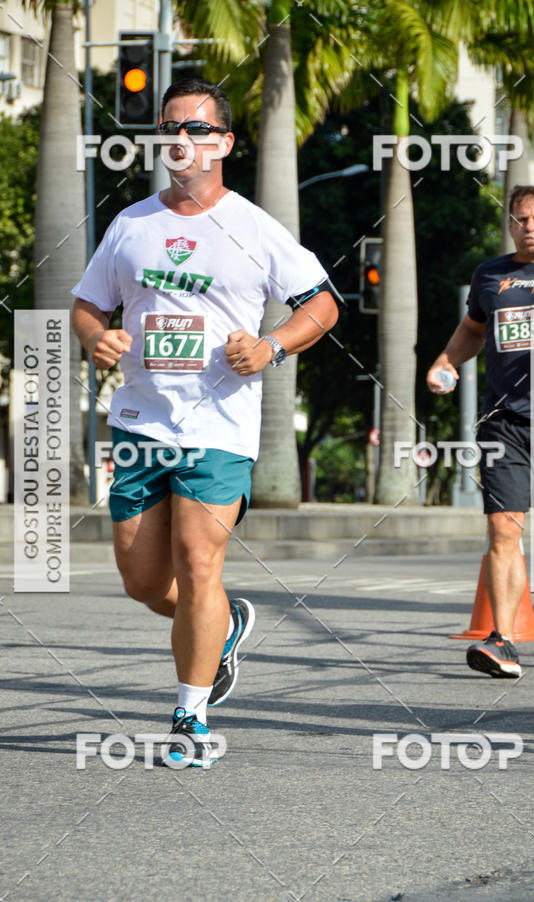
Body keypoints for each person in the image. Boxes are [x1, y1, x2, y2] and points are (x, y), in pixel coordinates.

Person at [72, 78, 339, 765]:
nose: (180, 139)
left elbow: (323, 305)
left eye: (195, 128)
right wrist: (94, 337)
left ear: (222, 142)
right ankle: (224, 626)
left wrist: (271, 344)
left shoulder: (253, 227)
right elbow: (87, 304)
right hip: (139, 423)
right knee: (140, 579)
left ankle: (189, 718)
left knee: (198, 563)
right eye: (170, 129)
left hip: (219, 427)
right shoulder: (131, 224)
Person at [427, 184, 534, 678]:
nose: (530, 227)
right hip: (503, 421)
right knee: (504, 529)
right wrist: (446, 359)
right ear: (511, 225)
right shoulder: (490, 275)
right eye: (521, 219)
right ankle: (502, 640)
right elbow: (473, 330)